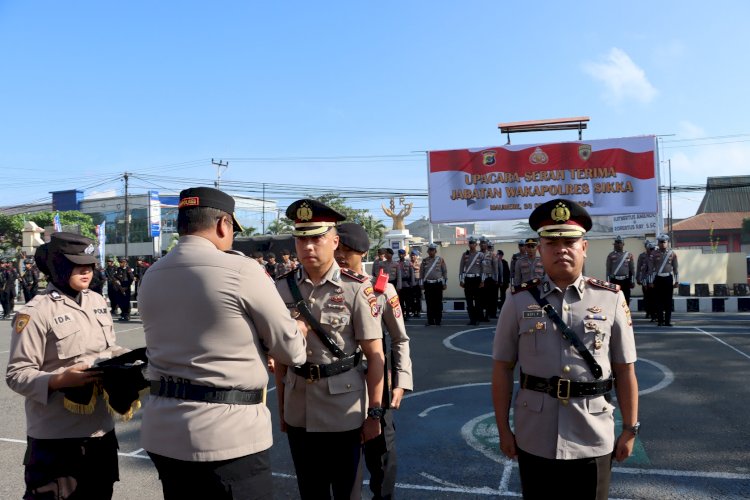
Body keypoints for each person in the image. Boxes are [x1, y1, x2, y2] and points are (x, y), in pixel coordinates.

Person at [138, 187, 307, 500]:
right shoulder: (241, 270)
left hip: (164, 431)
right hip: (227, 435)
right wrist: (298, 327)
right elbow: (292, 351)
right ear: (222, 225)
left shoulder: (152, 274)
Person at [491, 198, 639, 500]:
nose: (562, 249)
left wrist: (630, 428)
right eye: (552, 242)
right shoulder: (518, 300)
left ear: (584, 248)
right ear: (540, 250)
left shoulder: (610, 298)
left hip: (593, 433)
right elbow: (502, 368)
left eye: (570, 241)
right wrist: (504, 430)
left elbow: (625, 369)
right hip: (535, 434)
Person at [273, 199, 385, 500]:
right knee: (310, 493)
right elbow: (280, 361)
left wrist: (374, 414)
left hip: (343, 411)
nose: (308, 246)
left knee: (347, 494)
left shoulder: (357, 288)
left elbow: (375, 356)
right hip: (298, 408)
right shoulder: (280, 288)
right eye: (301, 238)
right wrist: (282, 408)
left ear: (334, 242)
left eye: (316, 238)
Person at [6, 232, 132, 499]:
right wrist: (59, 381)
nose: (87, 270)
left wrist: (131, 357)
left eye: (89, 263)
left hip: (101, 431)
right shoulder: (35, 312)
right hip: (57, 438)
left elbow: (107, 349)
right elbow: (17, 374)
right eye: (78, 264)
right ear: (58, 266)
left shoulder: (97, 301)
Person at [335, 222, 413, 500]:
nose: (341, 255)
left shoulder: (381, 290)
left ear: (363, 252)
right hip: (338, 387)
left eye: (349, 250)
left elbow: (400, 339)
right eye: (338, 249)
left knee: (382, 455)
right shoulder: (326, 290)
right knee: (342, 461)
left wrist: (401, 381)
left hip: (374, 385)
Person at [648, 233, 679, 327]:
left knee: (668, 301)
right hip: (658, 279)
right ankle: (660, 321)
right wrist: (650, 281)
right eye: (660, 242)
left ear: (667, 243)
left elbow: (675, 268)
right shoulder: (654, 254)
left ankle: (667, 321)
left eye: (664, 242)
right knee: (659, 301)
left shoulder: (672, 254)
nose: (662, 244)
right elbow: (650, 268)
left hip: (668, 279)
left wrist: (677, 281)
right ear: (658, 243)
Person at [420, 243, 448, 326]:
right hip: (428, 284)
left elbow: (444, 272)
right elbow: (421, 273)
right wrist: (421, 284)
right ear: (428, 251)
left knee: (438, 303)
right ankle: (430, 321)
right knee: (429, 303)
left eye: (432, 250)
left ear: (435, 251)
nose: (431, 252)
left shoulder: (440, 259)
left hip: (438, 284)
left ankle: (438, 320)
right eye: (430, 250)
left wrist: (445, 283)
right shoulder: (424, 261)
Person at [459, 236, 484, 325]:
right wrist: (461, 280)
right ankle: (472, 319)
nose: (471, 245)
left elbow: (482, 269)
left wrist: (482, 281)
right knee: (469, 301)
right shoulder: (465, 254)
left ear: (476, 244)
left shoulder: (480, 255)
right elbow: (461, 268)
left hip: (477, 279)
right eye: (470, 243)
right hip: (468, 280)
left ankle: (477, 319)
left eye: (473, 243)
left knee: (477, 301)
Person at [606, 236, 635, 307]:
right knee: (615, 299)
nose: (618, 244)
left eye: (620, 243)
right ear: (614, 244)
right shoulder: (611, 255)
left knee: (626, 298)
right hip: (615, 280)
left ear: (623, 244)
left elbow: (632, 269)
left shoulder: (629, 255)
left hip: (626, 280)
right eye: (616, 243)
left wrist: (633, 281)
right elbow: (608, 270)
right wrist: (608, 283)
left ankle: (626, 315)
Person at [636, 240, 656, 321]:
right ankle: (649, 312)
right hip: (645, 279)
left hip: (655, 279)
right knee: (647, 297)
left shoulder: (655, 255)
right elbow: (639, 267)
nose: (650, 249)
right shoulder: (642, 256)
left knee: (654, 298)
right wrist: (638, 277)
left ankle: (654, 314)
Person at [479, 239, 499, 321]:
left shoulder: (491, 255)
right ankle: (480, 315)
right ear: (479, 244)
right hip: (479, 279)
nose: (483, 245)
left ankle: (487, 315)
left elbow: (495, 267)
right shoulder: (477, 254)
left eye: (484, 243)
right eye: (481, 243)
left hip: (489, 279)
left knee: (488, 298)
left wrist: (496, 279)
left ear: (487, 245)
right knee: (479, 298)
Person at [396, 249, 415, 319]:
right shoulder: (397, 263)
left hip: (407, 284)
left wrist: (412, 283)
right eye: (399, 254)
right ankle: (402, 314)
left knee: (408, 301)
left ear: (404, 254)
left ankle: (407, 314)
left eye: (402, 254)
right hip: (400, 285)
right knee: (401, 301)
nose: (400, 255)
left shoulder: (409, 263)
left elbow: (412, 274)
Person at [115, 257, 135, 321]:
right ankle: (123, 314)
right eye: (120, 262)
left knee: (126, 302)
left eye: (121, 262)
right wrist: (119, 286)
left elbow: (131, 279)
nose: (120, 264)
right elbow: (115, 277)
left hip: (126, 288)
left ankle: (127, 314)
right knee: (120, 301)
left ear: (125, 263)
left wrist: (126, 287)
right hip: (119, 288)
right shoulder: (118, 269)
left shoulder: (128, 269)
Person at [409, 249, 423, 318]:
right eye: (411, 255)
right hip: (411, 283)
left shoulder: (420, 263)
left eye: (414, 255)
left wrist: (414, 267)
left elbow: (421, 269)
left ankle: (418, 311)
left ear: (417, 256)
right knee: (411, 298)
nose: (412, 257)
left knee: (418, 298)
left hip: (418, 283)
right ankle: (413, 311)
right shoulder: (408, 263)